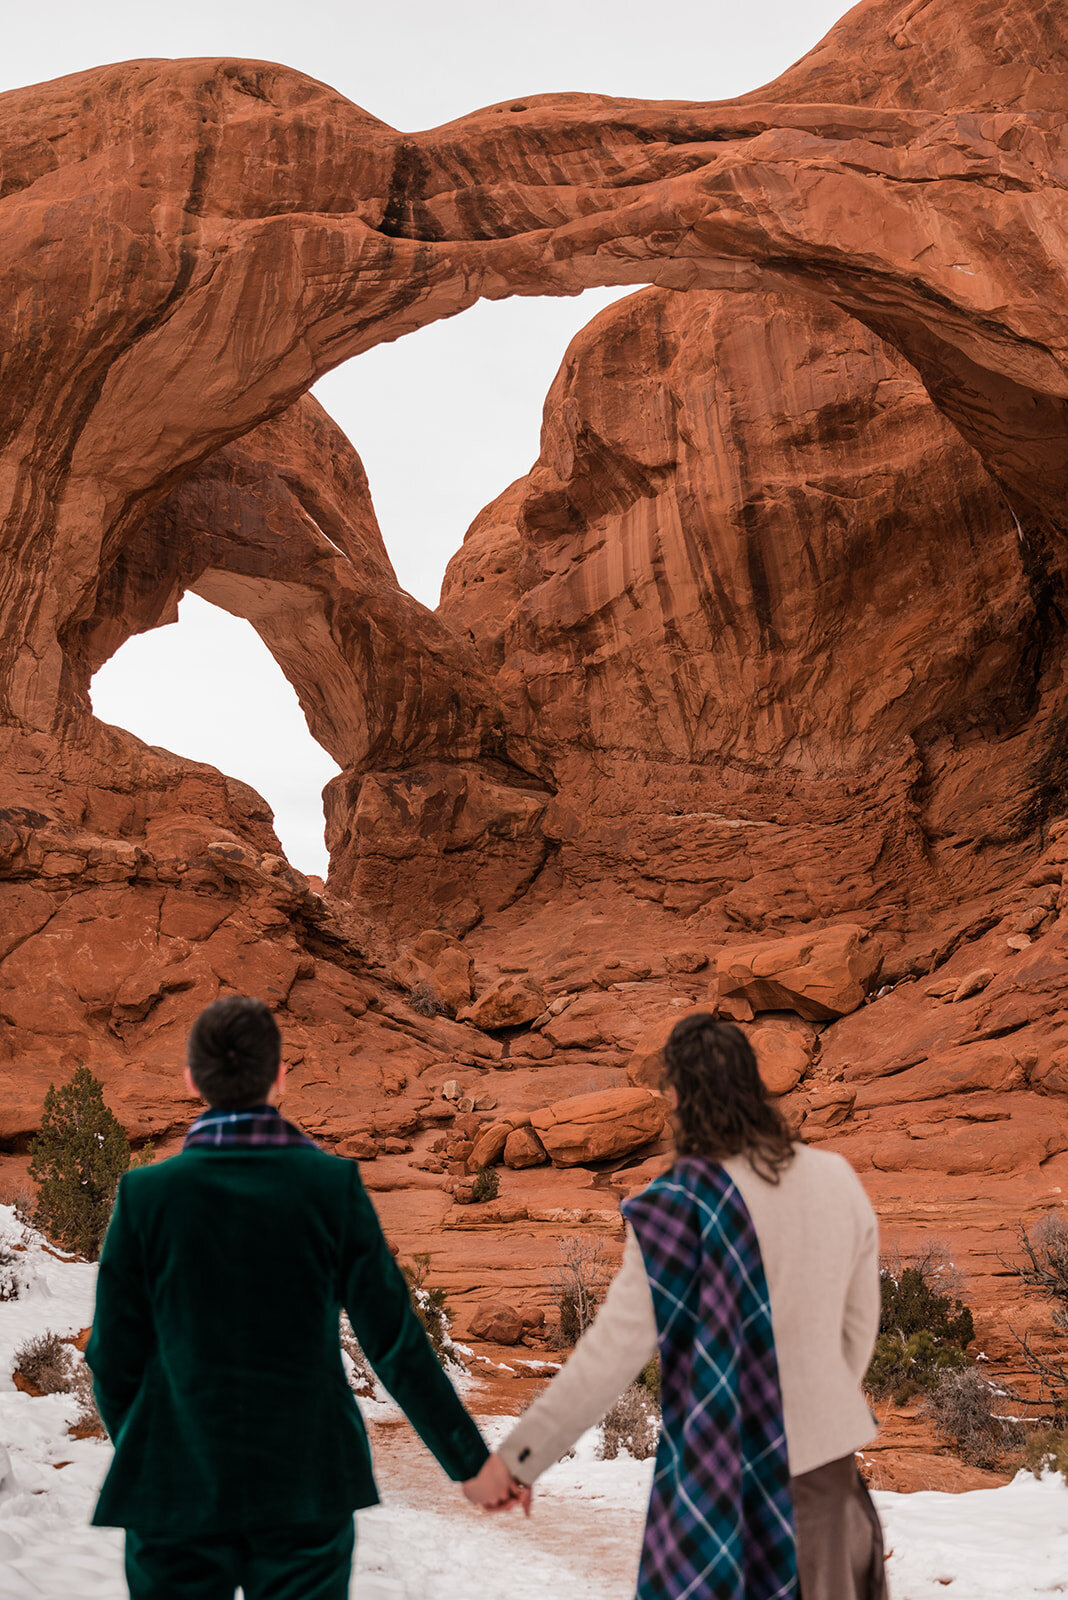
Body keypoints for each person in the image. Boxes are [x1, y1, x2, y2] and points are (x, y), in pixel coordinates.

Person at [86, 993, 516, 1600]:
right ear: (280, 1075)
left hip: (172, 1491)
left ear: (191, 1081)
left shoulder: (146, 1196)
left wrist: (154, 1445)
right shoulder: (329, 1188)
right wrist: (472, 1465)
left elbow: (112, 1357)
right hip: (305, 1484)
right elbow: (394, 1345)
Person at [493, 1014, 887, 1600]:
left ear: (675, 1097)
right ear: (754, 1086)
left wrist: (518, 1462)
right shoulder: (834, 1178)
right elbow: (857, 1332)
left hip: (716, 1488)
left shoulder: (672, 1206)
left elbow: (608, 1358)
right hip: (824, 1484)